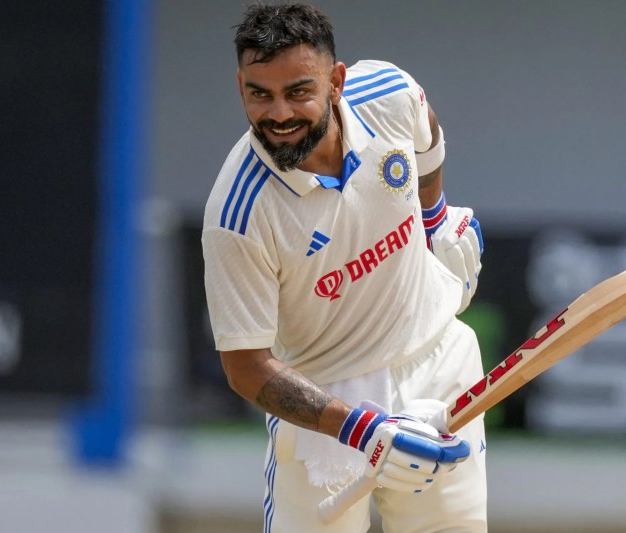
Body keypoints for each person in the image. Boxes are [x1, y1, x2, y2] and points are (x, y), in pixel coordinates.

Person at [202, 3, 487, 531]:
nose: (279, 115)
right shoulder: (237, 215)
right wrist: (362, 430)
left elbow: (426, 132)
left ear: (336, 81)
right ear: (240, 86)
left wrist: (435, 221)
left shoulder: (388, 94)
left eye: (299, 92)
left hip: (437, 361)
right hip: (326, 404)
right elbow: (246, 367)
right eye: (260, 94)